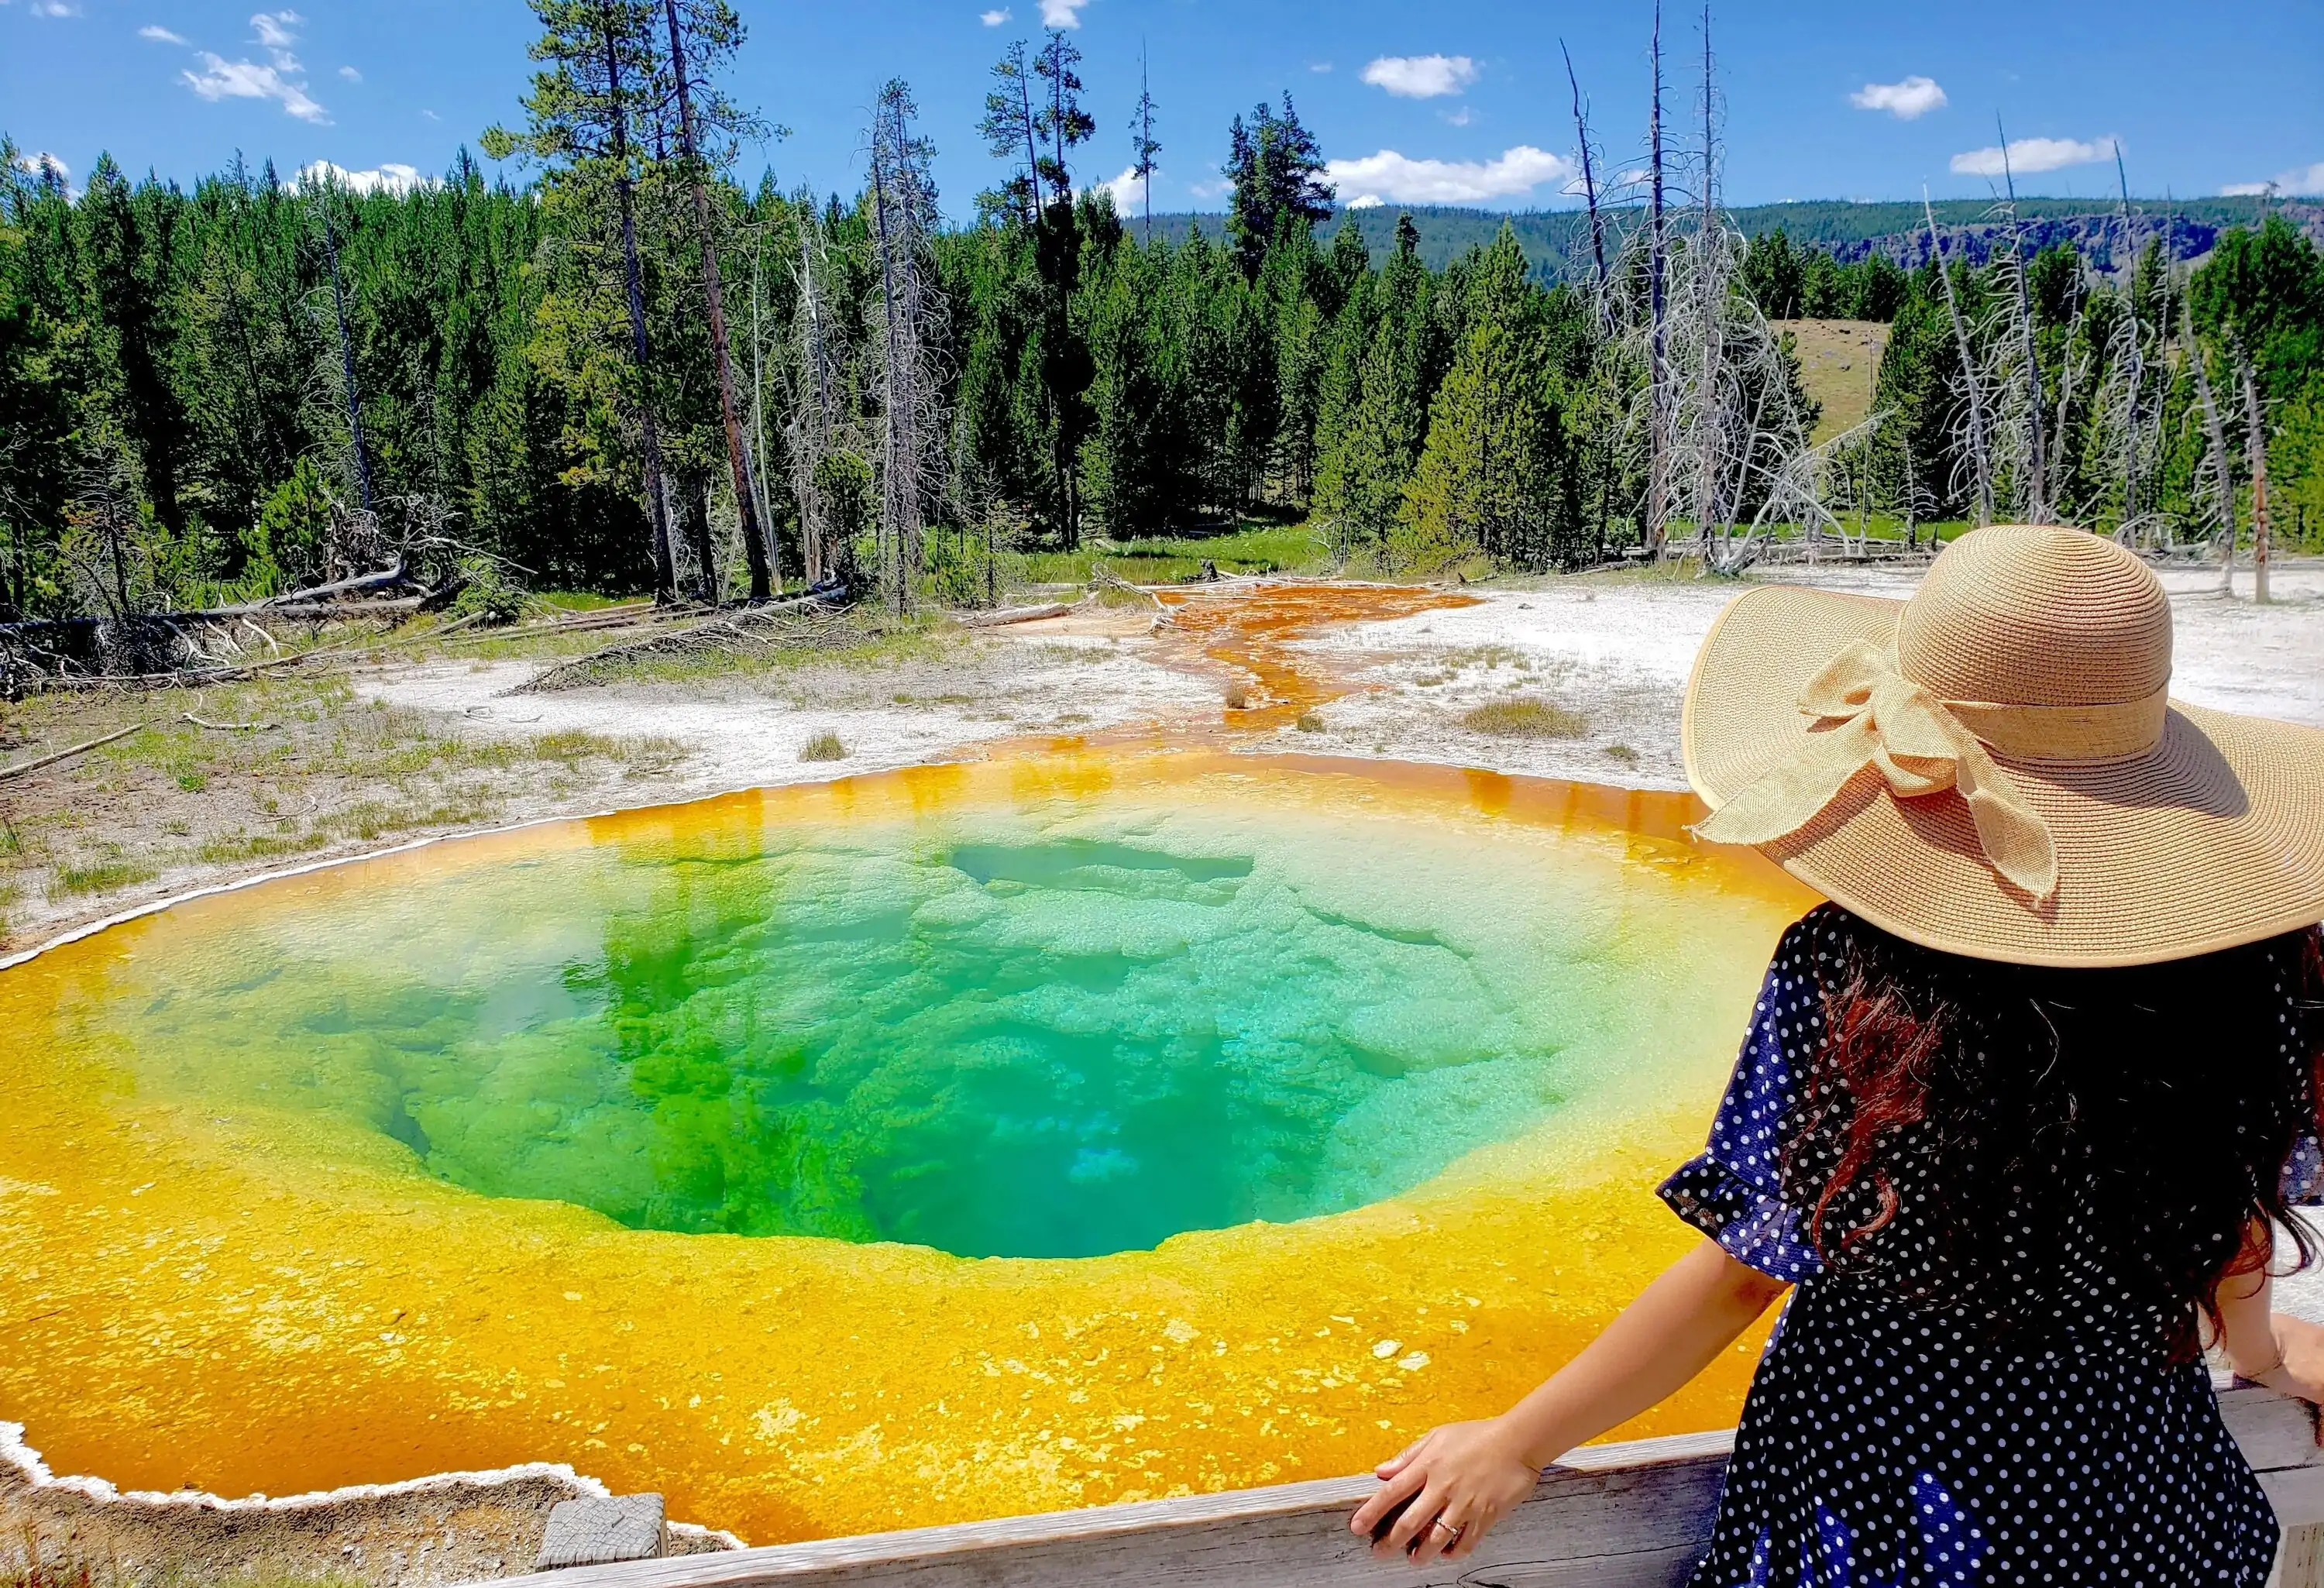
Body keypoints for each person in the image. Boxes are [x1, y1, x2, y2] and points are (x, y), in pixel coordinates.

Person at [1351, 524, 2324, 1584]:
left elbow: (1743, 1273)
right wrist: (2269, 1357)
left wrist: (1518, 1440)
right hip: (2135, 1503)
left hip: (1874, 1497)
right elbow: (2234, 1228)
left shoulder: (1852, 975)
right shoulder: (2261, 971)